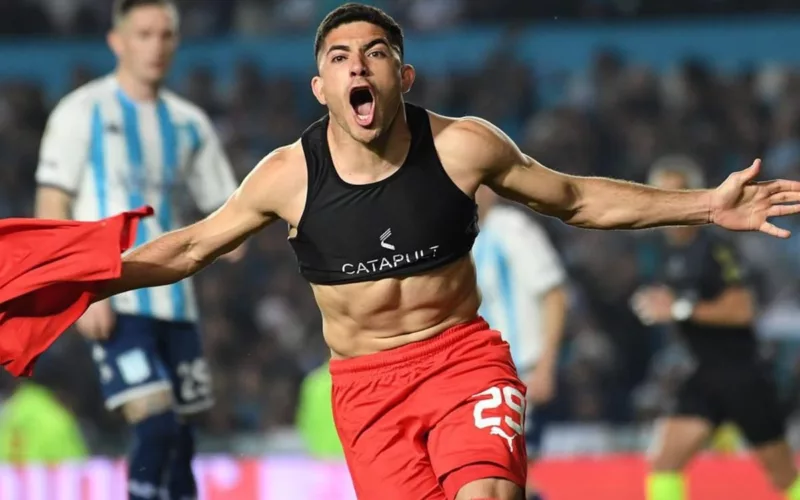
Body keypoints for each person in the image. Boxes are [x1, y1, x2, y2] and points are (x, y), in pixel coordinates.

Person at [82, 3, 800, 499]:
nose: (358, 66)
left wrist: (708, 203)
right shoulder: (285, 176)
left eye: (376, 53)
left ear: (402, 76)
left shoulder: (463, 147)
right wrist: (89, 279)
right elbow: (192, 248)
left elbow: (577, 199)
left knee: (486, 490)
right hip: (365, 389)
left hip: (462, 361)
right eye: (340, 57)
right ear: (321, 87)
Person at [33, 1, 239, 498]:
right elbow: (52, 205)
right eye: (143, 33)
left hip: (176, 302)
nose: (156, 45)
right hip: (113, 297)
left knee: (184, 439)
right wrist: (77, 291)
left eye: (165, 34)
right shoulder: (81, 111)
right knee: (156, 424)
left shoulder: (189, 123)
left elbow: (231, 209)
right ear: (117, 41)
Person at [631, 156, 800, 500]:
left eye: (676, 193)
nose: (668, 202)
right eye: (660, 193)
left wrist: (678, 308)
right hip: (704, 373)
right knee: (665, 463)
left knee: (783, 476)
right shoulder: (668, 252)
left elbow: (742, 310)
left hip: (742, 375)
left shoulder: (714, 248)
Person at [473, 187, 567, 500]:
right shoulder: (462, 236)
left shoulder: (511, 228)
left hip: (520, 372)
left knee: (508, 475)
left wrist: (545, 366)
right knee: (495, 477)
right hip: (484, 376)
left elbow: (554, 294)